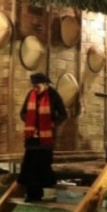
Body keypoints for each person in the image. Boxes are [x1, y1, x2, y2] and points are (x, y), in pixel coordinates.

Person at [18, 73, 67, 202]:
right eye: (33, 86)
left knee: (41, 164)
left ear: (45, 84)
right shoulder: (31, 94)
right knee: (29, 165)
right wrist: (29, 121)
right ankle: (31, 194)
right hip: (32, 137)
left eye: (38, 86)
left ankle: (40, 192)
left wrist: (53, 123)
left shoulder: (53, 95)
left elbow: (63, 114)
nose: (35, 89)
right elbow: (22, 113)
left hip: (46, 137)